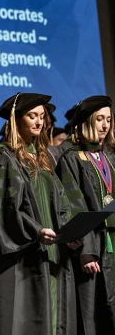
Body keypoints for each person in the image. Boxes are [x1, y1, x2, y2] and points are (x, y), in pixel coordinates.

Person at [0, 93, 78, 335]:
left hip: (52, 247)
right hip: (25, 250)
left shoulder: (44, 156)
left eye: (42, 116)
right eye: (32, 116)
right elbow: (8, 207)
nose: (39, 122)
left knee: (55, 314)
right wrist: (36, 231)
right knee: (27, 315)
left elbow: (61, 200)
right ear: (17, 120)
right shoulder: (5, 155)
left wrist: (70, 230)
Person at [56, 95, 115, 335]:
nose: (105, 125)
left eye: (109, 120)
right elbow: (74, 205)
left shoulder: (109, 158)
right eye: (99, 119)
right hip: (95, 245)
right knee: (94, 313)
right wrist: (85, 251)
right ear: (87, 122)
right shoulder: (72, 158)